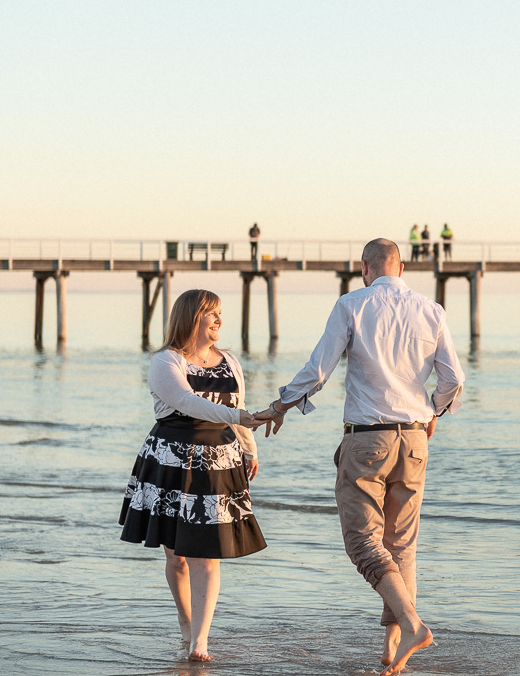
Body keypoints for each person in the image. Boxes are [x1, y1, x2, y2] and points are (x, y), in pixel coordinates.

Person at [253, 239, 464, 676]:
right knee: (401, 544)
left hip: (368, 439)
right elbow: (454, 378)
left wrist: (281, 406)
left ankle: (412, 625)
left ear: (364, 267)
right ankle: (392, 656)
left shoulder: (352, 304)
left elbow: (318, 370)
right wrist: (435, 410)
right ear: (401, 268)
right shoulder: (431, 309)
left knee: (363, 542)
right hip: (415, 439)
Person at [118, 289, 267, 662]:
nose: (219, 320)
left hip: (218, 462)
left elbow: (238, 405)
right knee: (177, 557)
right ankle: (186, 626)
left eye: (220, 313)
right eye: (211, 313)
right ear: (190, 317)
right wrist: (237, 419)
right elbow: (186, 402)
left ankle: (200, 640)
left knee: (207, 554)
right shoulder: (165, 362)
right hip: (171, 461)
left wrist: (250, 448)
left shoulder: (230, 361)